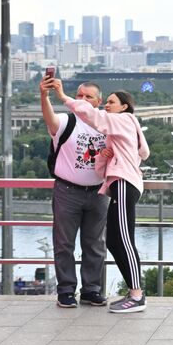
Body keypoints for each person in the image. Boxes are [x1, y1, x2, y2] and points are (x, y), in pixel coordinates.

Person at [49, 78, 150, 313]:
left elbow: (94, 116)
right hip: (117, 184)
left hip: (124, 183)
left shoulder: (122, 119)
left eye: (111, 102)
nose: (108, 106)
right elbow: (143, 152)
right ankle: (133, 293)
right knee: (114, 240)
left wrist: (64, 97)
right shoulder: (119, 129)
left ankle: (137, 295)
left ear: (124, 107)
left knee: (123, 240)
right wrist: (110, 154)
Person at [39, 76, 109, 308]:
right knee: (64, 244)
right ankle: (66, 291)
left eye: (88, 96)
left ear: (98, 102)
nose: (82, 99)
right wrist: (44, 95)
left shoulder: (107, 124)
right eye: (79, 95)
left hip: (99, 192)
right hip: (67, 191)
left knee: (95, 244)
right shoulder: (66, 122)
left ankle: (91, 290)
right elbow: (49, 118)